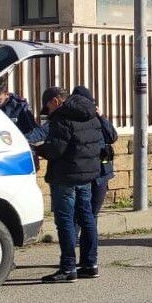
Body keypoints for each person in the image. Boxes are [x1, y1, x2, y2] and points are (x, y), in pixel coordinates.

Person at [35, 86, 107, 283]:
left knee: (65, 220)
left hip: (65, 176)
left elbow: (56, 150)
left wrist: (38, 150)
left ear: (56, 101)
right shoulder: (91, 114)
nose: (48, 112)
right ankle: (90, 264)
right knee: (87, 218)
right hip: (87, 175)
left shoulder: (61, 118)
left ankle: (68, 267)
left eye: (48, 107)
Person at [72, 86, 120, 217]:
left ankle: (88, 238)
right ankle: (74, 238)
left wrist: (102, 117)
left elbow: (112, 137)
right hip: (83, 172)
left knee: (94, 212)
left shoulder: (98, 118)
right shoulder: (73, 119)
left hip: (101, 171)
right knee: (79, 213)